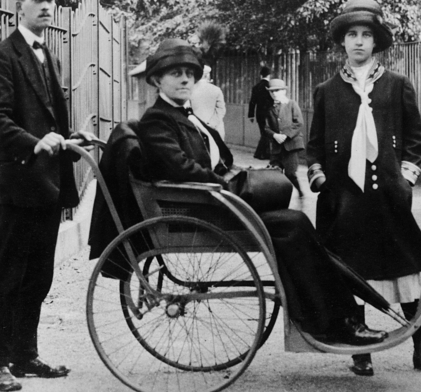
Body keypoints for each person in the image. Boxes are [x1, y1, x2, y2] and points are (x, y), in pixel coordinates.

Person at [138, 38, 388, 346]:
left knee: (294, 222)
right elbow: (181, 168)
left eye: (190, 73)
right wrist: (232, 186)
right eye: (175, 73)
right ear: (156, 80)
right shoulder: (158, 120)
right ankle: (333, 323)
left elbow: (210, 162)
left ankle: (339, 317)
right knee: (292, 225)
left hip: (209, 201)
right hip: (197, 209)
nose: (185, 79)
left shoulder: (181, 115)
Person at [306, 0, 421, 379]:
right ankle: (361, 349)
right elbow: (315, 143)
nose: (358, 42)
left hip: (387, 196)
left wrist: (404, 179)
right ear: (342, 42)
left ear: (376, 43)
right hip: (343, 198)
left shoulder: (396, 85)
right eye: (351, 35)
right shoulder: (327, 90)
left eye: (366, 35)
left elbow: (415, 140)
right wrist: (319, 176)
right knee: (352, 271)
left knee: (402, 269)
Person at [0, 0, 85, 392]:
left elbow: (50, 117)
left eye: (51, 0)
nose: (46, 6)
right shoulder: (2, 55)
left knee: (39, 275)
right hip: (21, 181)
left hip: (49, 183)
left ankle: (25, 355)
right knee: (10, 273)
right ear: (18, 3)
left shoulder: (49, 55)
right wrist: (34, 143)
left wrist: (74, 136)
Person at [263, 78, 305, 197]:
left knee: (290, 173)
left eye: (277, 90)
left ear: (284, 91)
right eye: (272, 91)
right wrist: (275, 135)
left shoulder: (291, 104)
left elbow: (299, 123)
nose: (274, 93)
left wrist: (285, 135)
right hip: (277, 146)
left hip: (291, 145)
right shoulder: (270, 108)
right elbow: (266, 128)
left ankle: (300, 192)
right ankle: (278, 196)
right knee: (274, 171)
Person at [191, 65, 226, 139]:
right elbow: (221, 110)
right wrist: (211, 123)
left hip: (195, 129)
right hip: (215, 128)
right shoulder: (216, 90)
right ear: (207, 75)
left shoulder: (190, 89)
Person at [248, 65, 273, 159]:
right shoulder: (270, 87)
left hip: (259, 114)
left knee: (263, 132)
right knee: (267, 133)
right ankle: (260, 153)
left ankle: (263, 153)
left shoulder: (256, 87)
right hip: (269, 113)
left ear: (261, 75)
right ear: (269, 75)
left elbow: (252, 102)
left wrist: (251, 115)